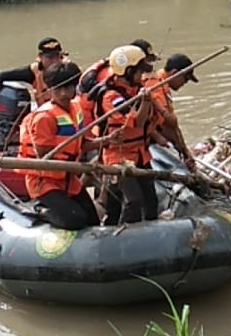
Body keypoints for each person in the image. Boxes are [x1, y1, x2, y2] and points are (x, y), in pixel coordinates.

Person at [16, 61, 101, 231]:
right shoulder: (45, 117)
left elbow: (82, 144)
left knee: (93, 220)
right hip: (45, 182)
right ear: (50, 89)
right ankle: (41, 211)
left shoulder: (76, 109)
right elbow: (43, 154)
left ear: (74, 88)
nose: (63, 93)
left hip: (68, 180)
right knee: (75, 220)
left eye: (68, 88)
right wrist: (76, 165)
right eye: (57, 89)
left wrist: (107, 140)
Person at [95, 44, 164, 225]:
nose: (142, 76)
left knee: (150, 201)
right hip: (119, 157)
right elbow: (137, 122)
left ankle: (151, 232)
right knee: (134, 200)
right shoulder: (111, 96)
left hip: (141, 154)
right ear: (128, 71)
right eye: (139, 72)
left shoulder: (136, 90)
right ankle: (123, 238)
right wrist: (146, 102)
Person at [0, 37, 70, 111]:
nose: (54, 61)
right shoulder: (33, 72)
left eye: (57, 56)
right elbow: (1, 76)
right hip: (46, 115)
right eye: (50, 57)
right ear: (40, 56)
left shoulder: (68, 70)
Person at [141, 52, 198, 163]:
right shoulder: (155, 86)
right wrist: (183, 150)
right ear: (175, 73)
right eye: (185, 79)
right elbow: (166, 125)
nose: (184, 83)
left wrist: (184, 150)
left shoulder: (162, 83)